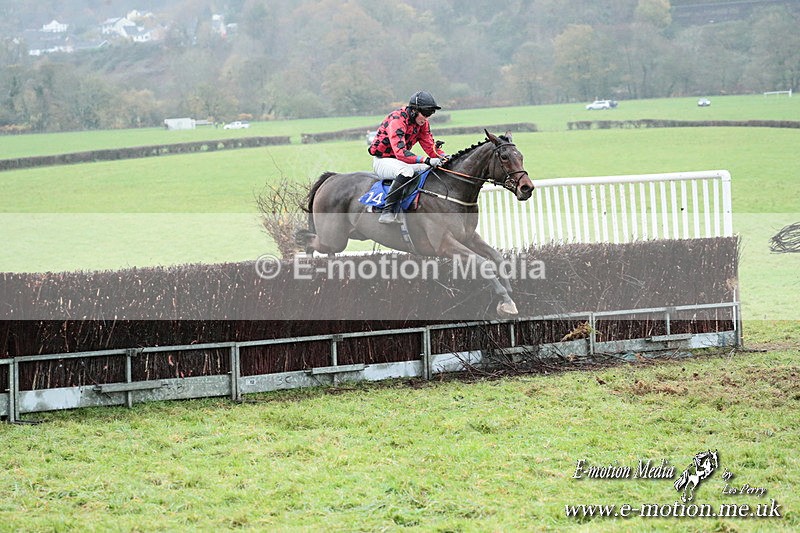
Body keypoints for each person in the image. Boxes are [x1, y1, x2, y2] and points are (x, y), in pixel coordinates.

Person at [368, 90, 447, 224]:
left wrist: (444, 157)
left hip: (399, 161)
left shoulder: (423, 124)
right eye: (425, 114)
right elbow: (401, 152)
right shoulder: (397, 120)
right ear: (414, 111)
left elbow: (430, 146)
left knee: (430, 168)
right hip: (383, 160)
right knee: (407, 171)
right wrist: (427, 160)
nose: (427, 118)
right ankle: (388, 211)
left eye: (430, 114)